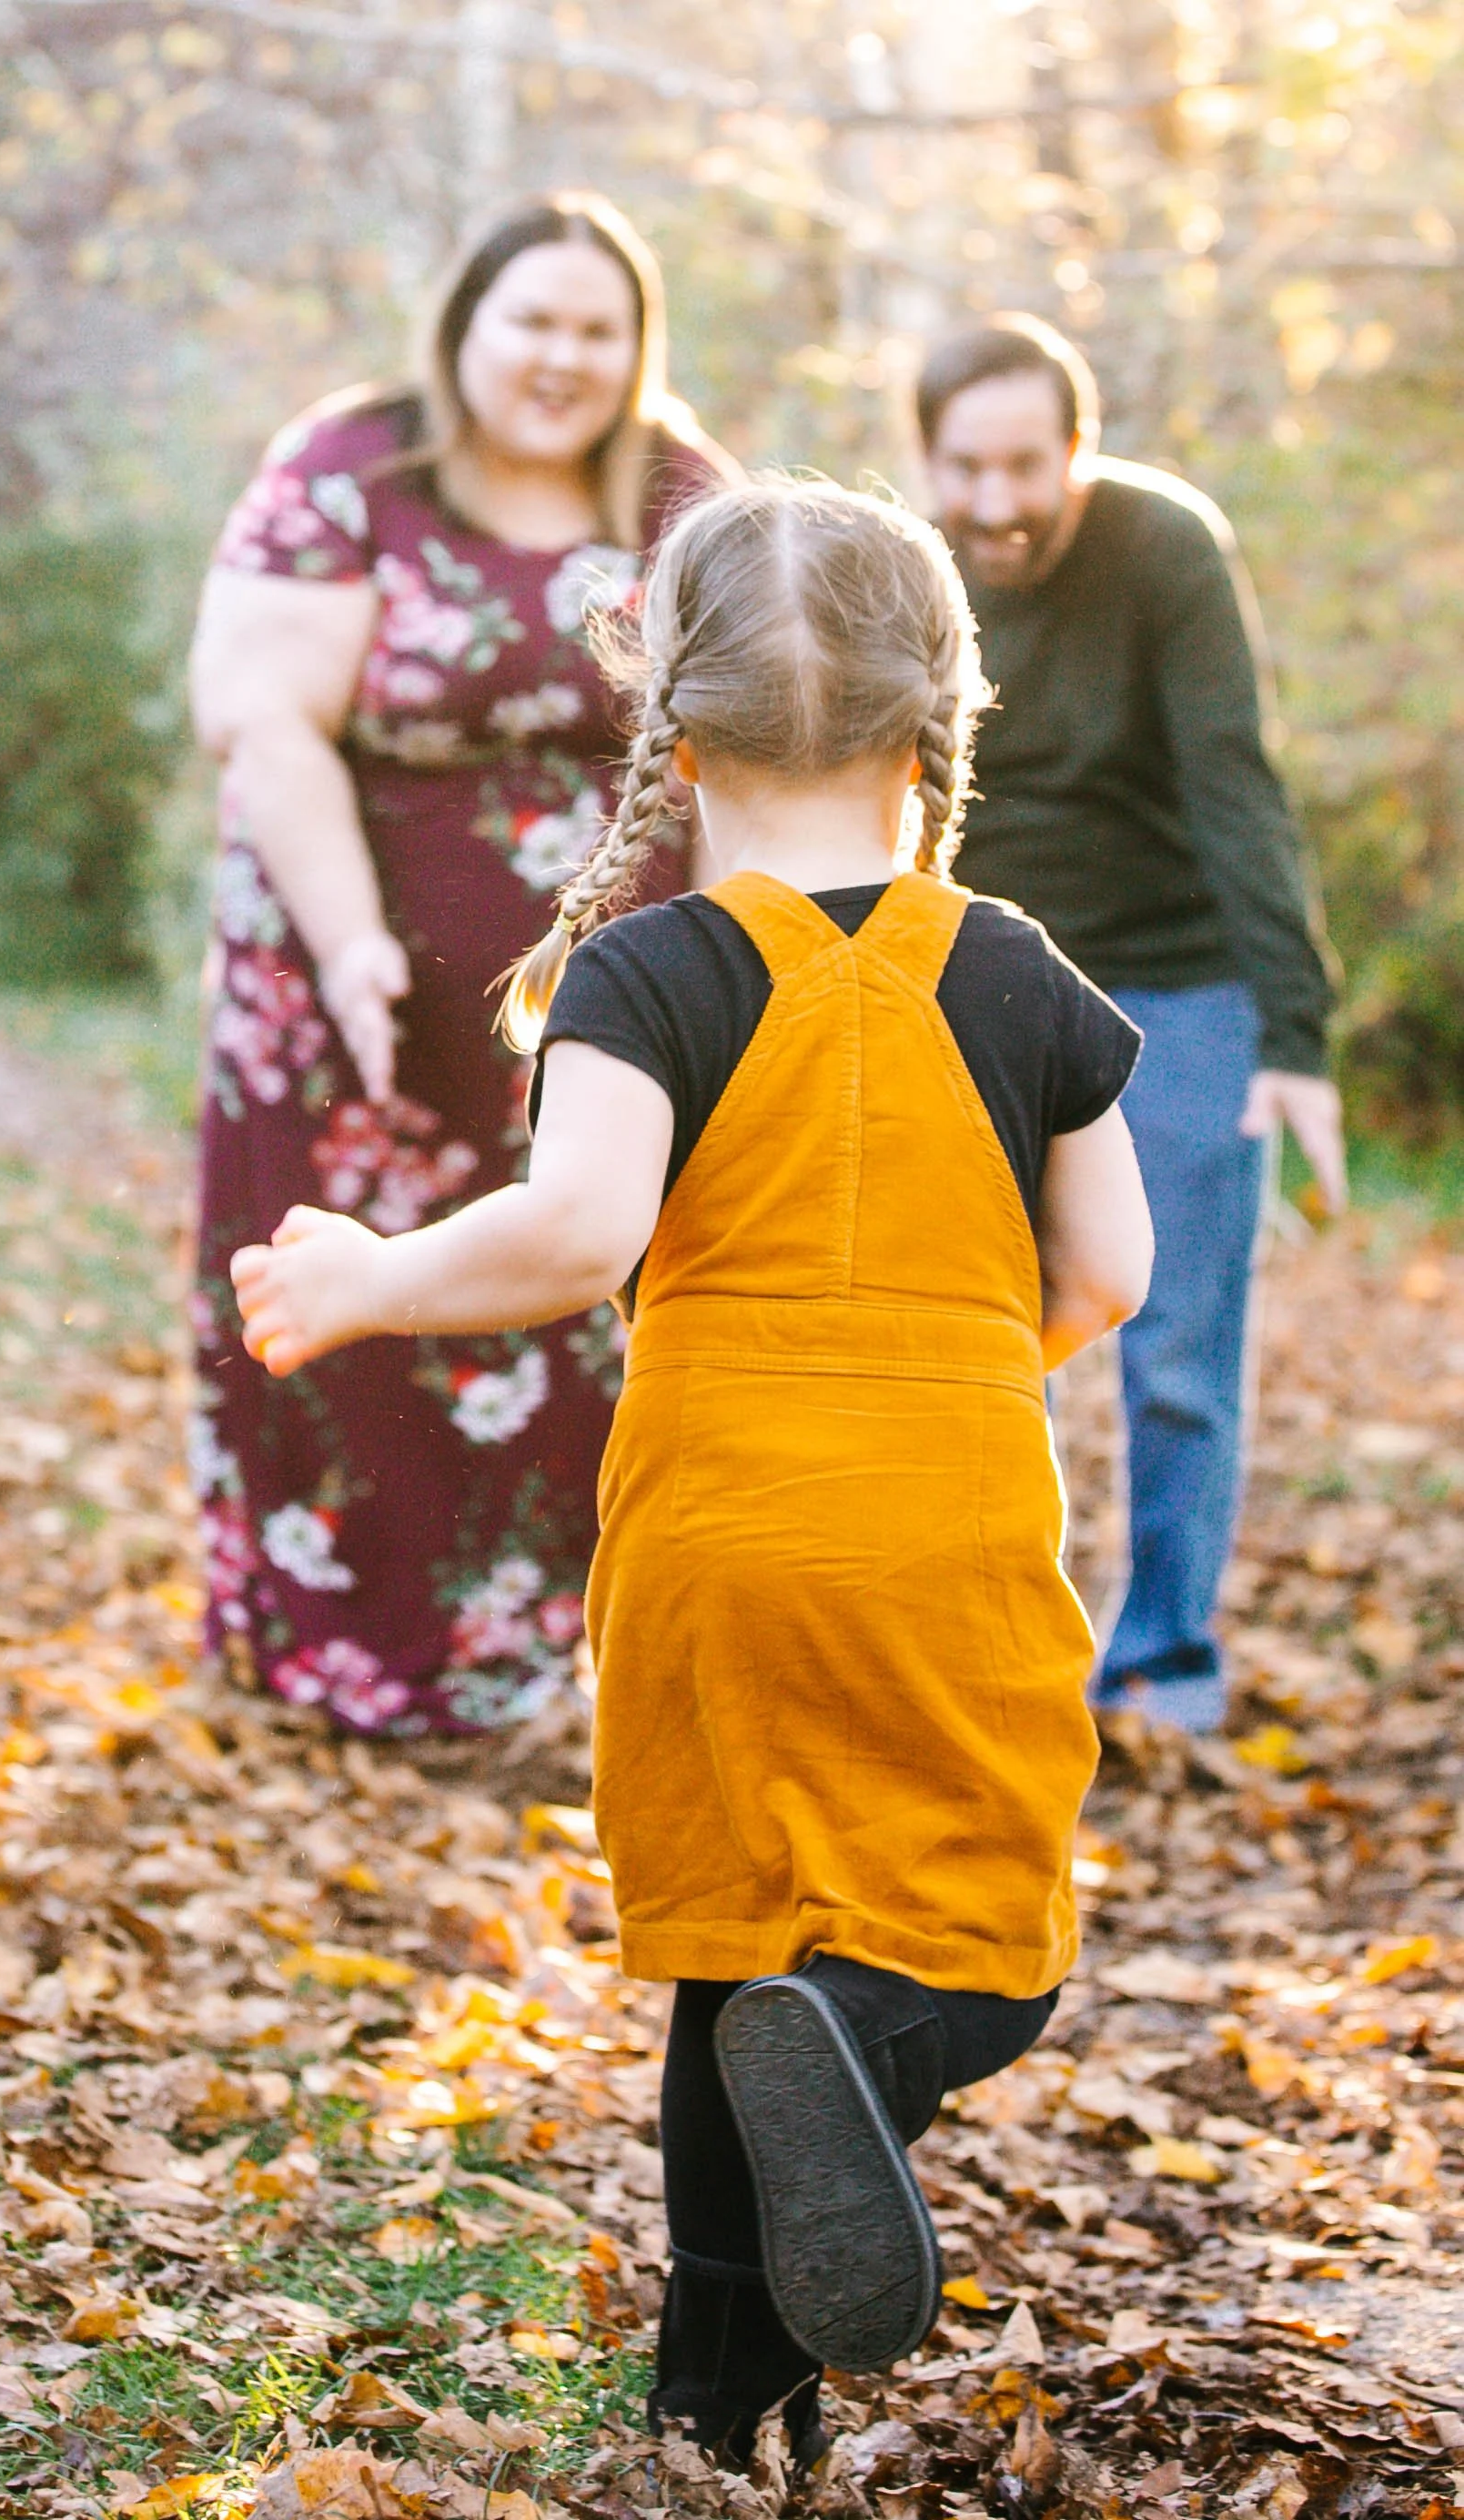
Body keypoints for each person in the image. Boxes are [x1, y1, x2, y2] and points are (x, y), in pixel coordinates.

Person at [230, 480, 1154, 2462]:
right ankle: (882, 2039)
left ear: (665, 705)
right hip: (950, 1512)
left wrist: (379, 1273)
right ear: (938, 709)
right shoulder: (1011, 970)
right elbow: (1111, 1271)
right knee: (985, 1940)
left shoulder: (645, 972)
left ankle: (716, 2400)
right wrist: (956, 1367)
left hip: (711, 1532)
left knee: (736, 1958)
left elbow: (573, 1235)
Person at [187, 192, 734, 1736]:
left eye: (596, 328)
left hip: (619, 1017)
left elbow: (767, 735)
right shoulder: (349, 470)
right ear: (466, 329)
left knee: (580, 1300)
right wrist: (357, 944)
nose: (563, 356)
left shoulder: (682, 494)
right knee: (342, 1286)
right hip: (349, 997)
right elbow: (264, 717)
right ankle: (334, 1662)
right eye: (534, 321)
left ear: (637, 348)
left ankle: (555, 1672)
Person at [917, 314, 1346, 1737]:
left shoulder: (1162, 549)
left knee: (1173, 1351)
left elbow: (1234, 780)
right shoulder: (906, 567)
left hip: (1178, 984)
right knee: (974, 1332)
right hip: (977, 988)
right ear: (926, 459)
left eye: (1024, 467)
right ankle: (990, 1655)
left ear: (1077, 452)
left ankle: (1161, 1656)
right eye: (965, 468)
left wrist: (1292, 1035)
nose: (994, 504)